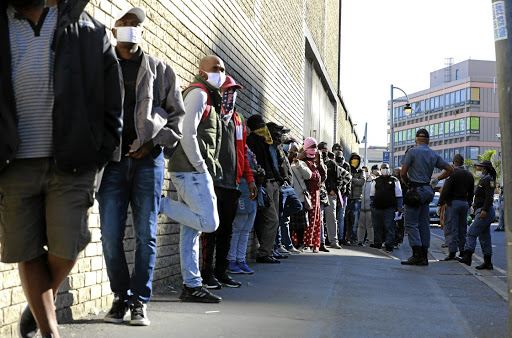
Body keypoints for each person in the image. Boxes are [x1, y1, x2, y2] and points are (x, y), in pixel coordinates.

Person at [0, 0, 123, 337]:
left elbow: (113, 100)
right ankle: (49, 330)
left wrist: (101, 150)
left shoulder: (87, 29)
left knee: (68, 245)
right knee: (26, 249)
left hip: (72, 161)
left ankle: (41, 300)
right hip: (13, 162)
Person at [96, 7, 186, 326]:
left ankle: (139, 301)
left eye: (136, 24)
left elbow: (178, 118)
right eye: (125, 23)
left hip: (148, 162)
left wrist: (151, 143)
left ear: (142, 32)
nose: (130, 28)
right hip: (111, 164)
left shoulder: (161, 70)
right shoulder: (102, 68)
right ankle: (121, 296)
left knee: (147, 234)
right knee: (110, 235)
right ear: (114, 29)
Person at [160, 55, 227, 302]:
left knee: (191, 232)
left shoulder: (207, 94)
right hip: (192, 171)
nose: (219, 72)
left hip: (190, 170)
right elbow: (187, 132)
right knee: (209, 223)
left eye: (221, 69)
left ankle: (192, 285)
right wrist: (200, 167)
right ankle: (160, 203)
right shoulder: (199, 93)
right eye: (214, 68)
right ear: (202, 70)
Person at [200, 76, 256, 289]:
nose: (230, 95)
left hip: (232, 184)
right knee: (210, 231)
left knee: (226, 231)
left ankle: (221, 272)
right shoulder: (209, 112)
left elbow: (242, 152)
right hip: (213, 181)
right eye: (227, 90)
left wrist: (249, 179)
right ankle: (207, 274)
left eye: (234, 91)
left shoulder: (238, 119)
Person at [400, 129, 453, 266]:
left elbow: (403, 172)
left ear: (416, 140)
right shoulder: (433, 153)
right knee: (424, 224)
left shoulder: (412, 151)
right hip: (427, 190)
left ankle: (416, 254)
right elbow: (449, 169)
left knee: (410, 223)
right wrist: (436, 179)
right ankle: (424, 255)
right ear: (428, 140)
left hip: (415, 190)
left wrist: (407, 183)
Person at [247, 114, 284, 263]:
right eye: (260, 125)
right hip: (264, 184)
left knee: (271, 219)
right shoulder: (251, 141)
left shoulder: (267, 142)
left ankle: (268, 250)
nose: (263, 128)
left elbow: (273, 163)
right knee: (272, 219)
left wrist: (279, 179)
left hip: (273, 182)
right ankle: (264, 253)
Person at [227, 149, 262, 275]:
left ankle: (241, 260)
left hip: (252, 191)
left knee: (246, 229)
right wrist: (252, 173)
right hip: (242, 189)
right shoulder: (236, 145)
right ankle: (231, 260)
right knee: (237, 228)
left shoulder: (248, 149)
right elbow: (236, 167)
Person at [458, 160, 497, 269]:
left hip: (485, 211)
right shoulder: (483, 180)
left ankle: (468, 255)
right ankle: (487, 262)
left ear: (485, 169)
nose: (477, 169)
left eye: (479, 168)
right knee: (484, 237)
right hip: (481, 210)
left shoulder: (488, 180)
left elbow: (489, 197)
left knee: (471, 233)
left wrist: (484, 210)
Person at [437, 154, 474, 261]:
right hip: (464, 203)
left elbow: (446, 190)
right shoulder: (469, 175)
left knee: (451, 227)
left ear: (453, 162)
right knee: (462, 228)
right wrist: (469, 203)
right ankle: (462, 250)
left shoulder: (452, 173)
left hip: (453, 203)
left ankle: (452, 252)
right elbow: (471, 192)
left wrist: (440, 203)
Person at [370, 163, 403, 252]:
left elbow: (399, 195)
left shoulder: (394, 180)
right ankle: (378, 244)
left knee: (389, 227)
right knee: (377, 227)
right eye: (383, 168)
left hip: (390, 208)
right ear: (380, 169)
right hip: (377, 207)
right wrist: (371, 206)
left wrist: (399, 207)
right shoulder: (376, 180)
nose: (385, 169)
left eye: (386, 168)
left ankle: (389, 245)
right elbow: (372, 194)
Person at [301, 138, 326, 252]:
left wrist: (319, 162)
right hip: (306, 193)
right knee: (306, 218)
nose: (313, 150)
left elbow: (323, 177)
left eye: (314, 147)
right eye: (311, 147)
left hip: (315, 194)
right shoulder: (302, 159)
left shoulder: (317, 162)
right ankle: (305, 242)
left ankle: (315, 243)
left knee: (316, 219)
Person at [289, 146, 313, 251]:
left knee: (300, 224)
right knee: (289, 223)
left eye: (295, 152)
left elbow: (308, 175)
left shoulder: (301, 164)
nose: (293, 154)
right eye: (291, 152)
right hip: (288, 196)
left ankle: (300, 243)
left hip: (300, 197)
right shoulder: (285, 162)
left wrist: (298, 163)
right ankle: (289, 243)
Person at [324, 151, 348, 249]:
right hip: (320, 193)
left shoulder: (332, 164)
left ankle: (334, 240)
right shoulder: (315, 162)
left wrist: (335, 190)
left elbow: (344, 177)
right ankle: (321, 241)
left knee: (332, 217)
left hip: (330, 194)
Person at [332, 144, 352, 245]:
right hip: (333, 192)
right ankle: (332, 236)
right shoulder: (331, 163)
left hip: (343, 193)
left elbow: (349, 178)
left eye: (339, 150)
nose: (337, 151)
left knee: (341, 216)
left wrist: (347, 191)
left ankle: (341, 237)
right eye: (335, 150)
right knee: (332, 216)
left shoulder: (346, 165)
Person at [345, 153, 365, 244]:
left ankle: (353, 238)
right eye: (353, 158)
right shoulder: (347, 169)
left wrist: (351, 179)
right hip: (348, 197)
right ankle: (346, 237)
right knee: (346, 219)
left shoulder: (361, 171)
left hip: (357, 198)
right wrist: (354, 181)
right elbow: (345, 181)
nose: (355, 160)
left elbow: (361, 182)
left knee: (355, 219)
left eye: (357, 158)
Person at [358, 166, 375, 247]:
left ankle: (371, 241)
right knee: (361, 225)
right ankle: (360, 241)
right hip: (361, 207)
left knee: (370, 226)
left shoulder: (373, 181)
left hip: (369, 207)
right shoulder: (361, 181)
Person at [393, 168, 407, 248]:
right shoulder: (396, 182)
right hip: (397, 205)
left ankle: (397, 240)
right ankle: (397, 240)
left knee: (399, 224)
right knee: (398, 224)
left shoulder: (402, 183)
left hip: (400, 206)